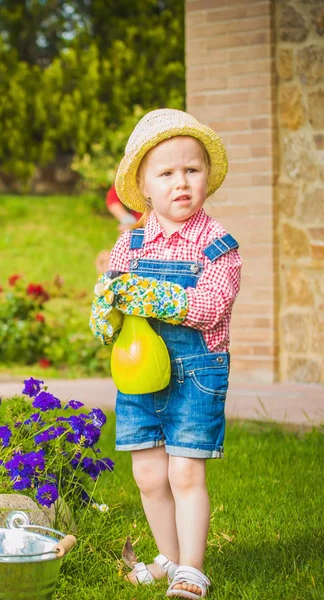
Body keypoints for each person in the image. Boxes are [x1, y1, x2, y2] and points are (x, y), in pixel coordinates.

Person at [89, 109, 242, 599]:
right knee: (149, 474)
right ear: (144, 187)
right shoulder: (128, 245)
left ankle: (192, 569)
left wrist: (157, 298)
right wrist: (105, 315)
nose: (181, 183)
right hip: (139, 374)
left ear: (207, 180)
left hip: (195, 372)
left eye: (192, 171)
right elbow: (113, 300)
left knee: (184, 470)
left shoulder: (217, 245)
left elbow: (214, 304)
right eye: (167, 173)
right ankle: (169, 558)